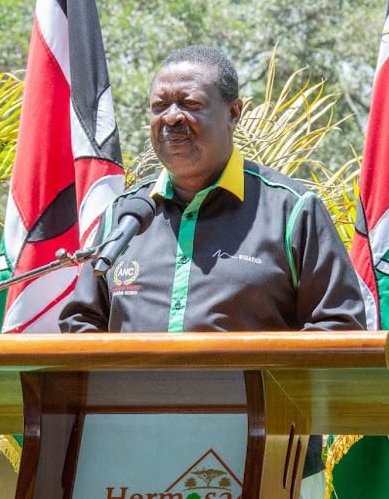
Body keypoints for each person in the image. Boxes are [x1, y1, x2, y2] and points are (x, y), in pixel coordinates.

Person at [59, 45, 366, 497]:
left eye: (191, 104)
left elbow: (340, 328)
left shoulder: (290, 210)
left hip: (267, 458)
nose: (172, 118)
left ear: (234, 113)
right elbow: (80, 323)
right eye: (159, 106)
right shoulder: (125, 217)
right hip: (130, 457)